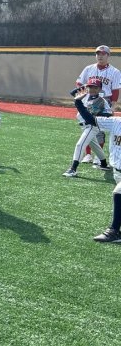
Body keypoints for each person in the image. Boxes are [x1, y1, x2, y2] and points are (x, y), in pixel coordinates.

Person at [73, 90, 121, 242]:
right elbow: (92, 120)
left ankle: (113, 231)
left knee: (118, 193)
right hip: (117, 171)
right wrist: (78, 103)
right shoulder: (116, 122)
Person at [77, 45, 121, 164]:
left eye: (103, 54)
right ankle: (88, 155)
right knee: (87, 126)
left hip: (104, 101)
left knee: (99, 129)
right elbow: (79, 83)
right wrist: (83, 96)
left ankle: (98, 156)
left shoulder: (115, 71)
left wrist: (112, 106)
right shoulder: (88, 68)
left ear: (108, 55)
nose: (100, 56)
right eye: (98, 54)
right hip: (89, 100)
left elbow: (115, 90)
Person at [63, 77, 112, 176]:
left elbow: (109, 113)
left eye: (95, 87)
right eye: (90, 87)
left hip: (92, 125)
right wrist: (84, 86)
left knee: (80, 145)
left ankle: (73, 169)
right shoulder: (84, 96)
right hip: (84, 126)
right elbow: (72, 92)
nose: (92, 89)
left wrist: (98, 115)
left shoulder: (102, 100)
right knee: (95, 146)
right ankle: (103, 163)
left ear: (100, 89)